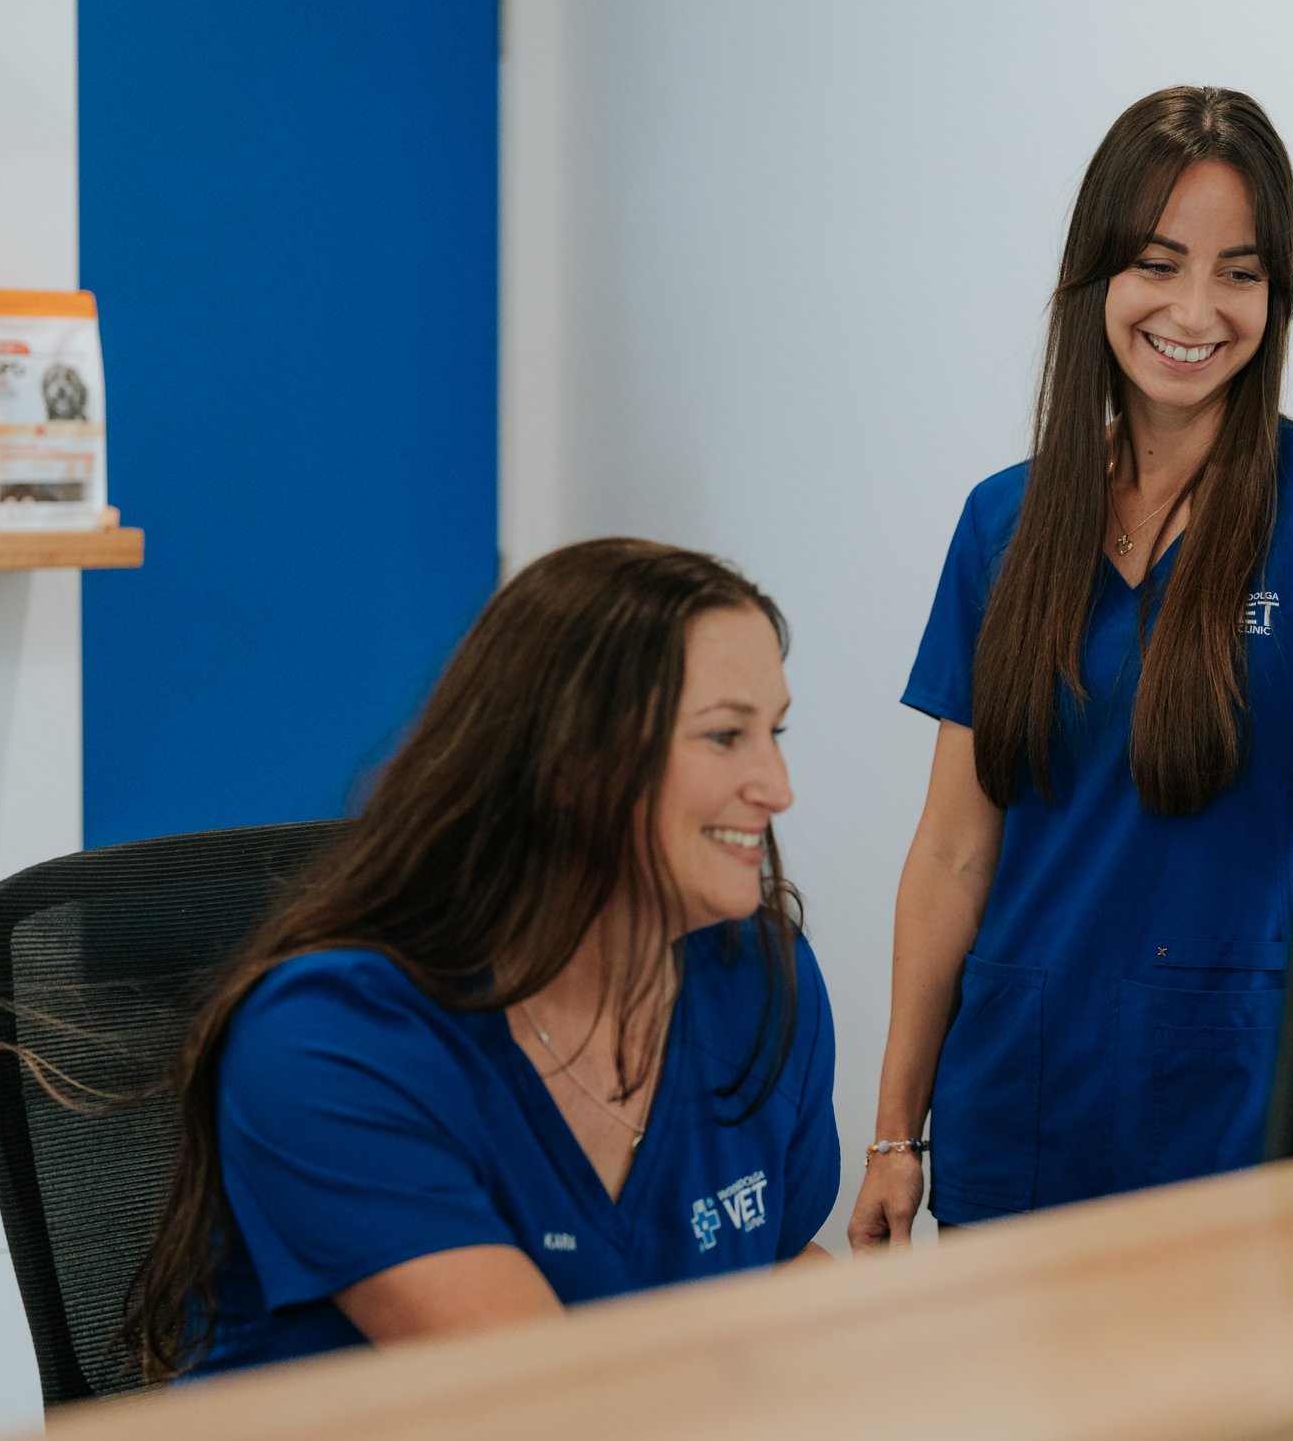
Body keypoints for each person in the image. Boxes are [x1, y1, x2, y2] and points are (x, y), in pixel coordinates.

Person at [851, 87, 1293, 1243]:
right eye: (1158, 263)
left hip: (1233, 1114)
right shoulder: (1001, 525)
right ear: (1097, 277)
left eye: (1239, 272)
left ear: (1275, 295)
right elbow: (953, 851)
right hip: (1018, 1106)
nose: (1196, 308)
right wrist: (896, 1129)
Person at [123, 539, 837, 1378]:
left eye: (774, 731)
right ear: (571, 762)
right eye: (725, 735)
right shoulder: (330, 1038)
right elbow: (540, 1400)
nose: (777, 784)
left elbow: (787, 1269)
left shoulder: (756, 981)